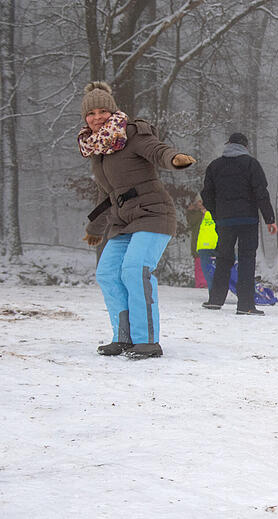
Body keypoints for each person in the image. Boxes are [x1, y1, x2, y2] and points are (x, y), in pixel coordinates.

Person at [78, 81, 196, 358]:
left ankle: (147, 341)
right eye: (91, 113)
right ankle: (123, 337)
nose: (97, 118)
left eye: (102, 111)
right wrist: (95, 227)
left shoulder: (132, 134)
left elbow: (158, 151)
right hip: (123, 221)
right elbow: (106, 194)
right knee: (107, 272)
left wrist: (175, 159)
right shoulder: (97, 149)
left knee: (134, 269)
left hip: (154, 214)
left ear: (112, 111)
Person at [200, 132, 277, 316]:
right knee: (246, 260)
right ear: (245, 146)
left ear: (228, 144)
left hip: (225, 221)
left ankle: (215, 300)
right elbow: (261, 192)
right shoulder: (251, 164)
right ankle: (245, 305)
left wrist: (217, 214)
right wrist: (270, 219)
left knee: (223, 258)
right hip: (247, 220)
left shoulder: (215, 166)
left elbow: (206, 195)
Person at [185, 198, 208, 289]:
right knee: (199, 265)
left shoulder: (209, 213)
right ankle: (201, 284)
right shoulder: (195, 215)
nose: (200, 204)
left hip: (208, 244)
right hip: (197, 244)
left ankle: (208, 283)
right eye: (198, 202)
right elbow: (191, 221)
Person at [195, 207, 218, 293]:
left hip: (210, 246)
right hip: (209, 246)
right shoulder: (199, 215)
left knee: (209, 272)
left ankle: (213, 293)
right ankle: (214, 293)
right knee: (210, 273)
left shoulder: (208, 214)